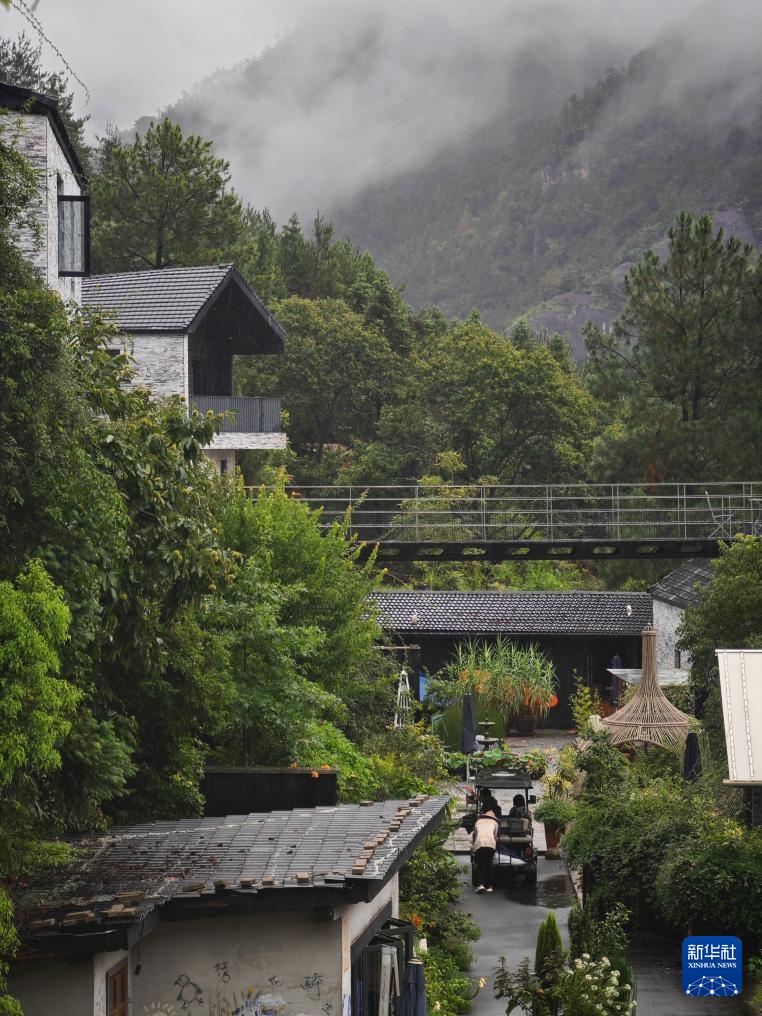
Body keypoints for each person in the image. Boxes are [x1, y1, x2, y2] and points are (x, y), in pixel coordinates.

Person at [471, 807, 499, 893]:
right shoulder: (495, 822)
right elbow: (495, 836)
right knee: (488, 864)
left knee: (480, 865)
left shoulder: (478, 822)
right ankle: (489, 886)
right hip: (491, 844)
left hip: (479, 844)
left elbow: (475, 836)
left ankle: (480, 885)